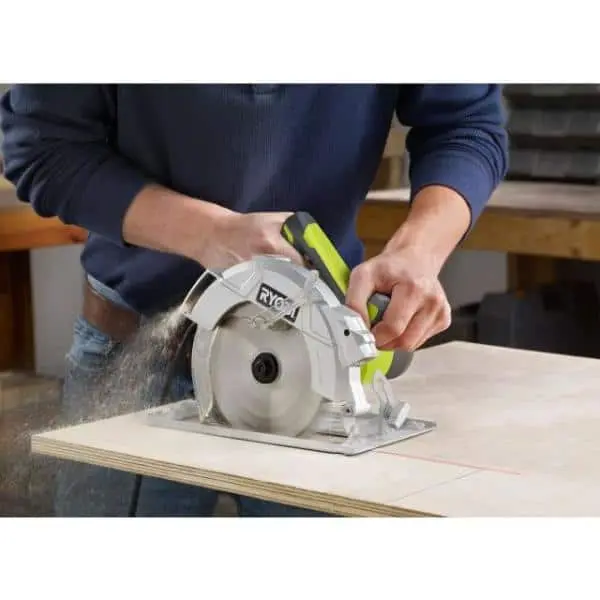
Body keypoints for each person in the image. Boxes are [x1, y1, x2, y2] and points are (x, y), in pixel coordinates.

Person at [0, 84, 508, 517]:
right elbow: (43, 146)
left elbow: (466, 123)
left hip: (320, 361)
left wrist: (418, 251)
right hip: (142, 349)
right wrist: (209, 232)